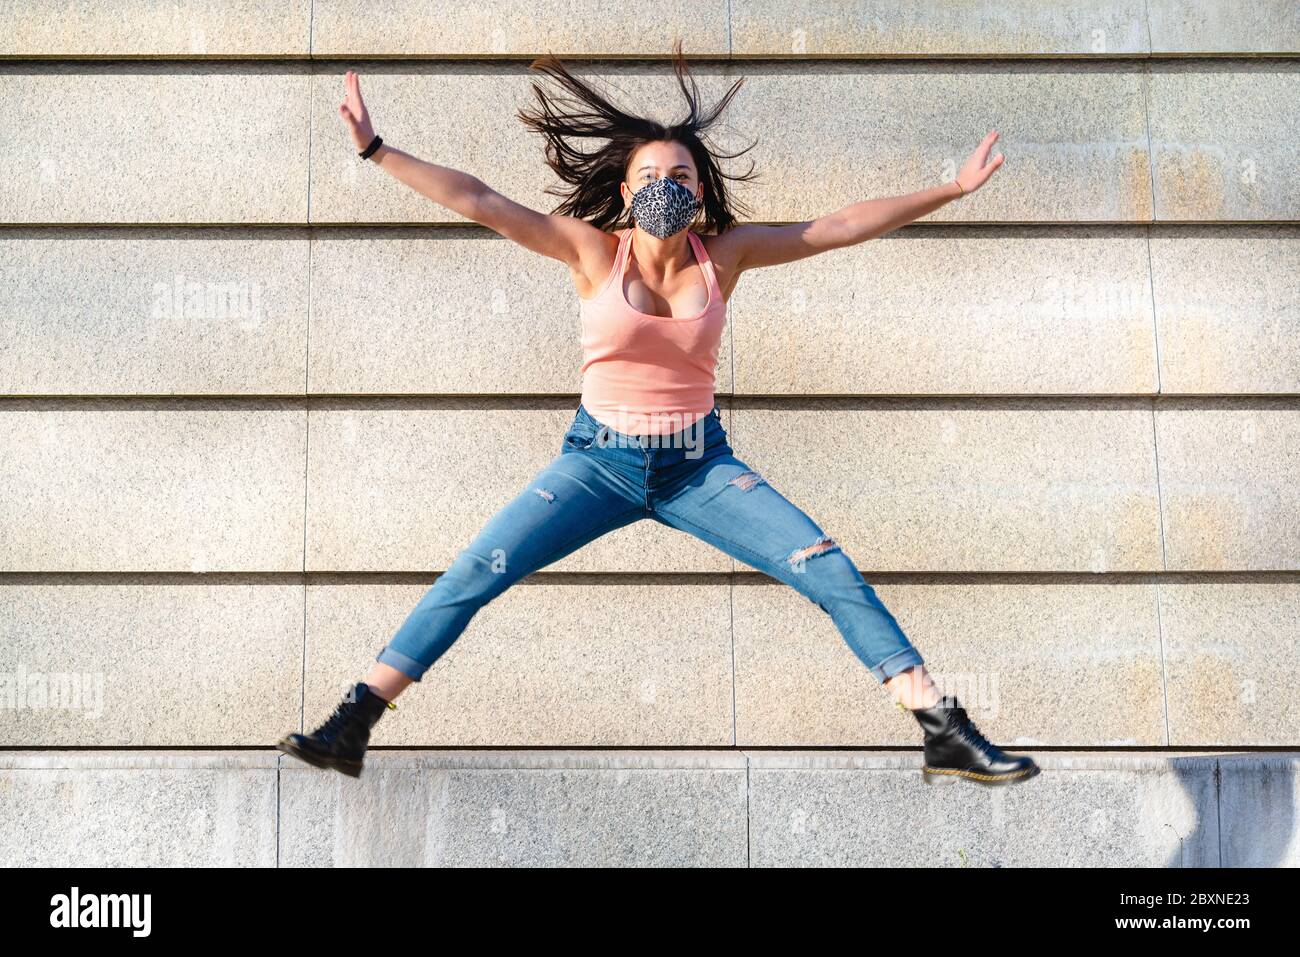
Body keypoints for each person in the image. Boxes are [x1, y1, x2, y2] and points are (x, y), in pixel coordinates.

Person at [277, 41, 1038, 788]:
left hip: (698, 467)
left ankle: (941, 727)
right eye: (650, 175)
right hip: (596, 461)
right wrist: (376, 148)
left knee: (827, 566)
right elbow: (483, 202)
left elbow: (838, 225)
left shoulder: (726, 256)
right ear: (624, 192)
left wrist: (951, 190)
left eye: (680, 174)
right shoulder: (592, 253)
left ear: (700, 191)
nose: (665, 184)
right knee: (479, 568)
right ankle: (355, 722)